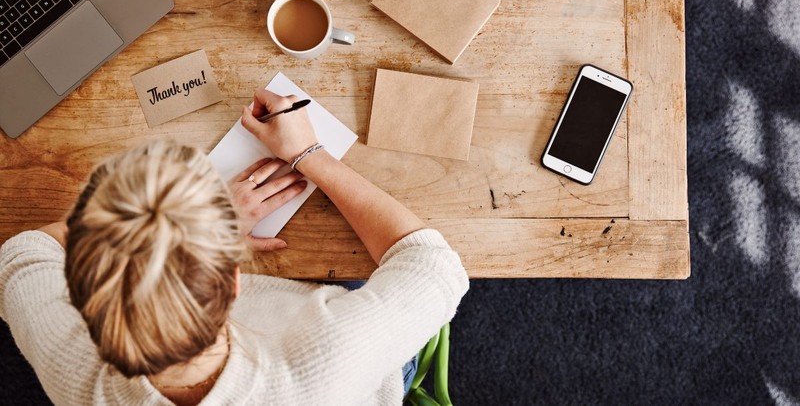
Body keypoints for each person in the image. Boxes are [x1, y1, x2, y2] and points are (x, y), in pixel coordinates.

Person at [0, 91, 469, 405]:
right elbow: (435, 265)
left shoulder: (70, 365)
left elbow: (19, 255)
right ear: (231, 280)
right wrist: (309, 154)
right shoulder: (328, 358)